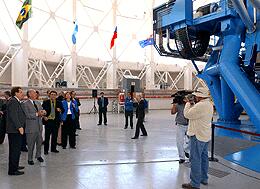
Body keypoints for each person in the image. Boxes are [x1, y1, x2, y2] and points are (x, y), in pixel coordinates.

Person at [182, 87, 214, 189]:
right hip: (205, 135)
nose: (194, 97)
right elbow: (196, 113)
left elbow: (187, 114)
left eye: (196, 95)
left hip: (197, 136)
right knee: (204, 158)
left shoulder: (200, 105)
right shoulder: (209, 104)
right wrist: (192, 103)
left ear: (200, 96)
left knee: (195, 159)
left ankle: (194, 184)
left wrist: (187, 103)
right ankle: (203, 178)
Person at [22, 89, 46, 165]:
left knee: (39, 143)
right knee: (30, 144)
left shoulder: (38, 102)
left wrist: (44, 112)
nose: (36, 94)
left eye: (36, 93)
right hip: (31, 128)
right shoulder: (25, 104)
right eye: (34, 93)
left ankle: (38, 155)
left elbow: (41, 111)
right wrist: (37, 114)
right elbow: (27, 115)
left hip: (39, 127)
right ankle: (30, 159)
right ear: (29, 94)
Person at [6, 87, 26, 176]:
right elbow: (13, 115)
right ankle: (12, 170)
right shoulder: (13, 101)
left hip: (15, 130)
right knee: (15, 150)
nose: (23, 93)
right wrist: (19, 127)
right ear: (16, 93)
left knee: (16, 150)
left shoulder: (16, 101)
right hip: (14, 130)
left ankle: (15, 166)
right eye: (21, 92)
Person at [42, 90, 63, 155]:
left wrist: (60, 110)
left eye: (54, 94)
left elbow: (63, 109)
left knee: (54, 136)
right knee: (47, 136)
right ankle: (46, 150)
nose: (53, 96)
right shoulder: (46, 102)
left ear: (56, 96)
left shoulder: (59, 102)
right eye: (52, 94)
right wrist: (44, 116)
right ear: (49, 95)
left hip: (56, 121)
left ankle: (53, 149)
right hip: (48, 121)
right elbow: (42, 110)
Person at [171, 94, 189, 164]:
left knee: (190, 141)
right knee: (179, 142)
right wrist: (174, 105)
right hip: (180, 125)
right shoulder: (178, 104)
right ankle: (182, 157)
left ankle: (186, 150)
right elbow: (172, 112)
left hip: (189, 125)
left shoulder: (190, 104)